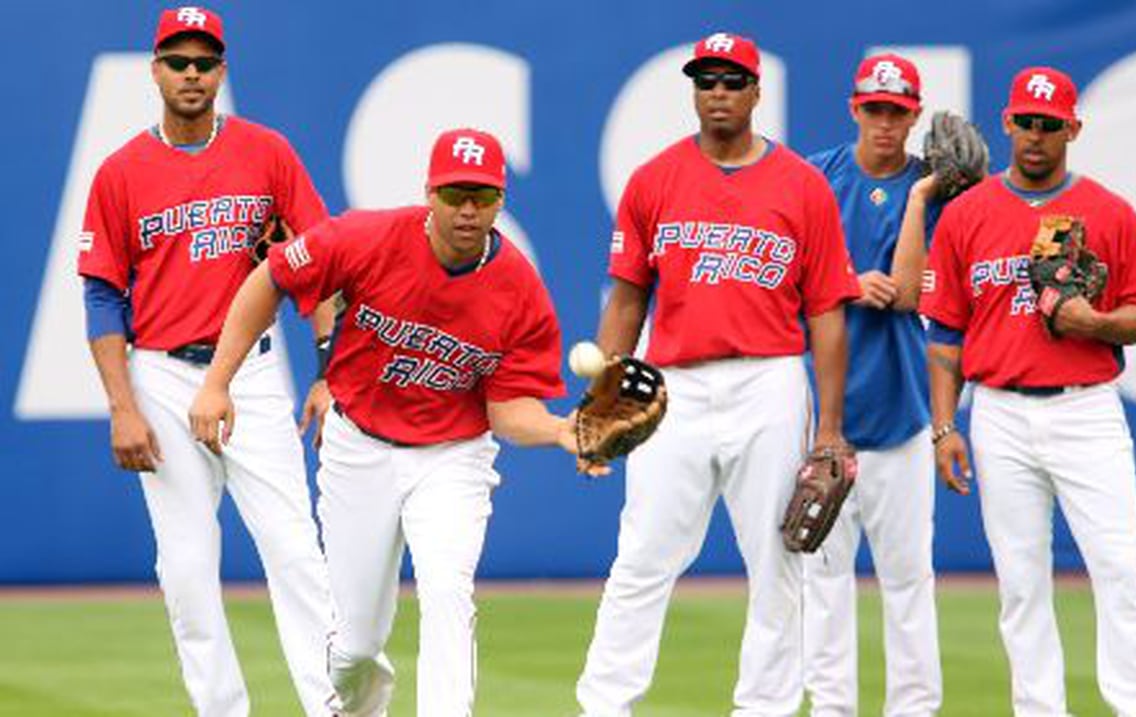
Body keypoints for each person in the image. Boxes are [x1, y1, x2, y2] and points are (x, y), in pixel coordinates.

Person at [189, 127, 596, 717]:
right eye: (454, 193)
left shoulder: (520, 291)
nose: (467, 209)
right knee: (354, 647)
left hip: (453, 456)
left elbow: (507, 411)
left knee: (448, 593)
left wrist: (559, 431)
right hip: (360, 445)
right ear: (429, 193)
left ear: (500, 201)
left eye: (482, 196)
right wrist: (216, 382)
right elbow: (271, 278)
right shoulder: (365, 237)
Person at [575, 32, 860, 716]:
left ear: (757, 91)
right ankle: (605, 705)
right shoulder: (654, 179)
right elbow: (627, 299)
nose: (719, 93)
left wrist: (829, 428)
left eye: (732, 81)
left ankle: (765, 707)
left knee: (778, 561)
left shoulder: (802, 185)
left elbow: (826, 314)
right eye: (707, 81)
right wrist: (603, 403)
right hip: (674, 385)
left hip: (768, 380)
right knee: (642, 555)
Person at [77, 7, 337, 716]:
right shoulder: (120, 172)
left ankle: (332, 707)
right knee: (187, 568)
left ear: (221, 71)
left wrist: (327, 369)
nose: (190, 74)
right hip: (161, 373)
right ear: (155, 70)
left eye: (203, 62)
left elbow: (322, 260)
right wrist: (123, 406)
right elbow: (102, 295)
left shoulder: (267, 153)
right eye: (177, 61)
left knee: (294, 550)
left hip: (251, 370)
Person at [920, 66, 1136, 715]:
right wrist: (945, 429)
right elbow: (945, 337)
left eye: (1050, 124)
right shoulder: (966, 216)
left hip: (1086, 408)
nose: (1036, 135)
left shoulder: (1109, 212)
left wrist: (1095, 323)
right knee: (1020, 584)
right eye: (1026, 122)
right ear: (1007, 122)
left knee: (1118, 570)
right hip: (999, 413)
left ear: (1073, 129)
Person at [802, 53, 943, 716]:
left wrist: (919, 199)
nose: (885, 122)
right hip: (823, 418)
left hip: (901, 408)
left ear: (915, 115)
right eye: (875, 109)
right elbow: (784, 282)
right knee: (823, 577)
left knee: (908, 579)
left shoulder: (936, 189)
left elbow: (911, 293)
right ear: (854, 109)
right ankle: (831, 708)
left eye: (898, 111)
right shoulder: (815, 179)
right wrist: (846, 282)